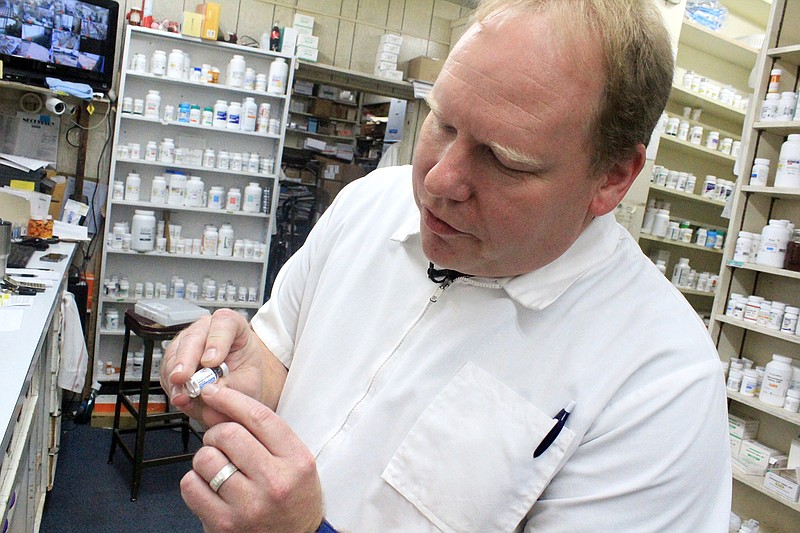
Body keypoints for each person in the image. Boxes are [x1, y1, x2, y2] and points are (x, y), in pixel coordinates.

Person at [161, 0, 732, 531]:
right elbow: (282, 357)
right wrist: (251, 374)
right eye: (443, 122)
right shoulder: (372, 202)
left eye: (505, 160)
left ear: (611, 177)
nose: (437, 181)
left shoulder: (660, 383)